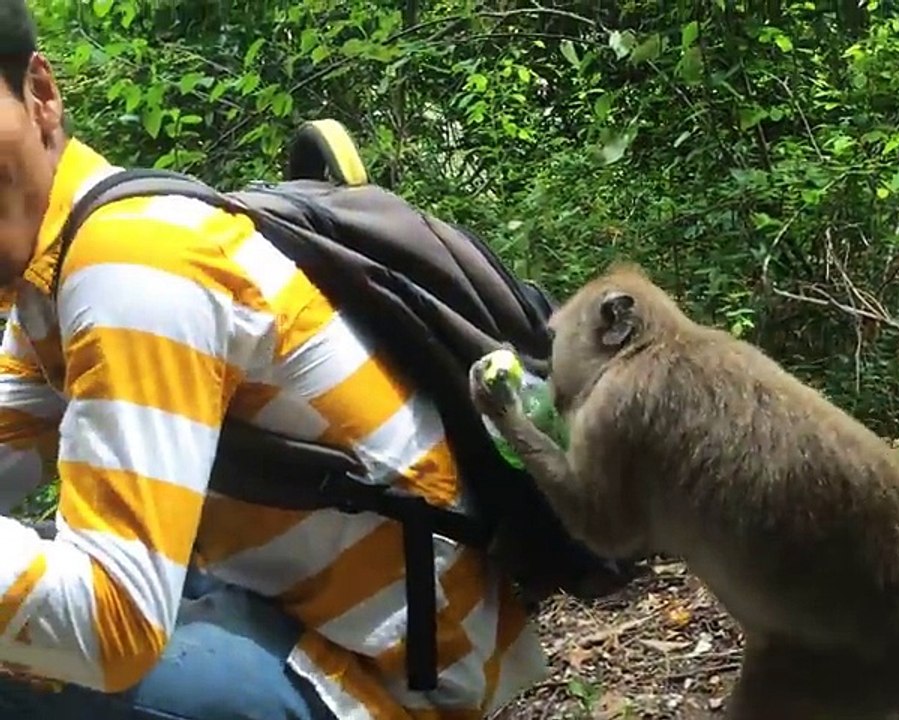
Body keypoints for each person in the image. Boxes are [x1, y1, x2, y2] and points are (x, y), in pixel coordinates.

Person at [0, 1, 549, 717]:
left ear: (41, 94)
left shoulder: (131, 265)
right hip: (306, 624)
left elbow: (113, 628)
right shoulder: (56, 278)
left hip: (396, 679)